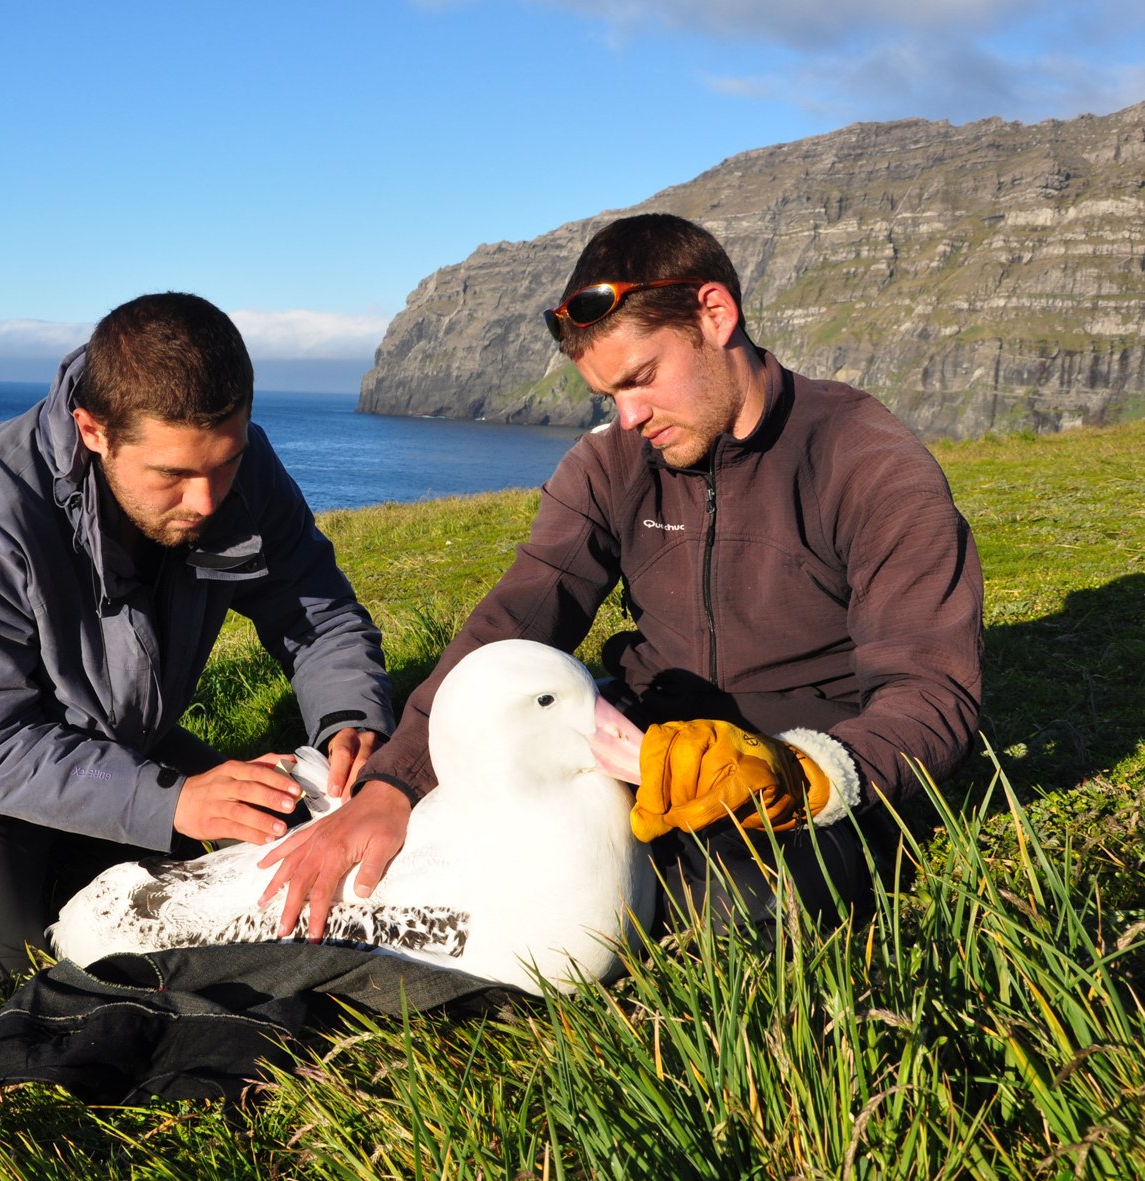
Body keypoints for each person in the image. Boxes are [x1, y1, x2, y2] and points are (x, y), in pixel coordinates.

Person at [260, 213, 983, 939]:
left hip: (794, 768)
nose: (629, 418)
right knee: (386, 838)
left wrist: (801, 773)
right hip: (638, 745)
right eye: (610, 396)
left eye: (641, 379)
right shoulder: (612, 462)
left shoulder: (868, 460)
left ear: (716, 313)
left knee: (742, 907)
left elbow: (934, 693)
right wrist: (396, 782)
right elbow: (514, 621)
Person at [0, 292, 394, 980]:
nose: (207, 500)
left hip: (101, 728)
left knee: (252, 861)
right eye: (173, 475)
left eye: (225, 462)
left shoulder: (240, 468)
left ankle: (41, 848)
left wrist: (351, 718)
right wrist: (174, 800)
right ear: (93, 430)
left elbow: (317, 611)